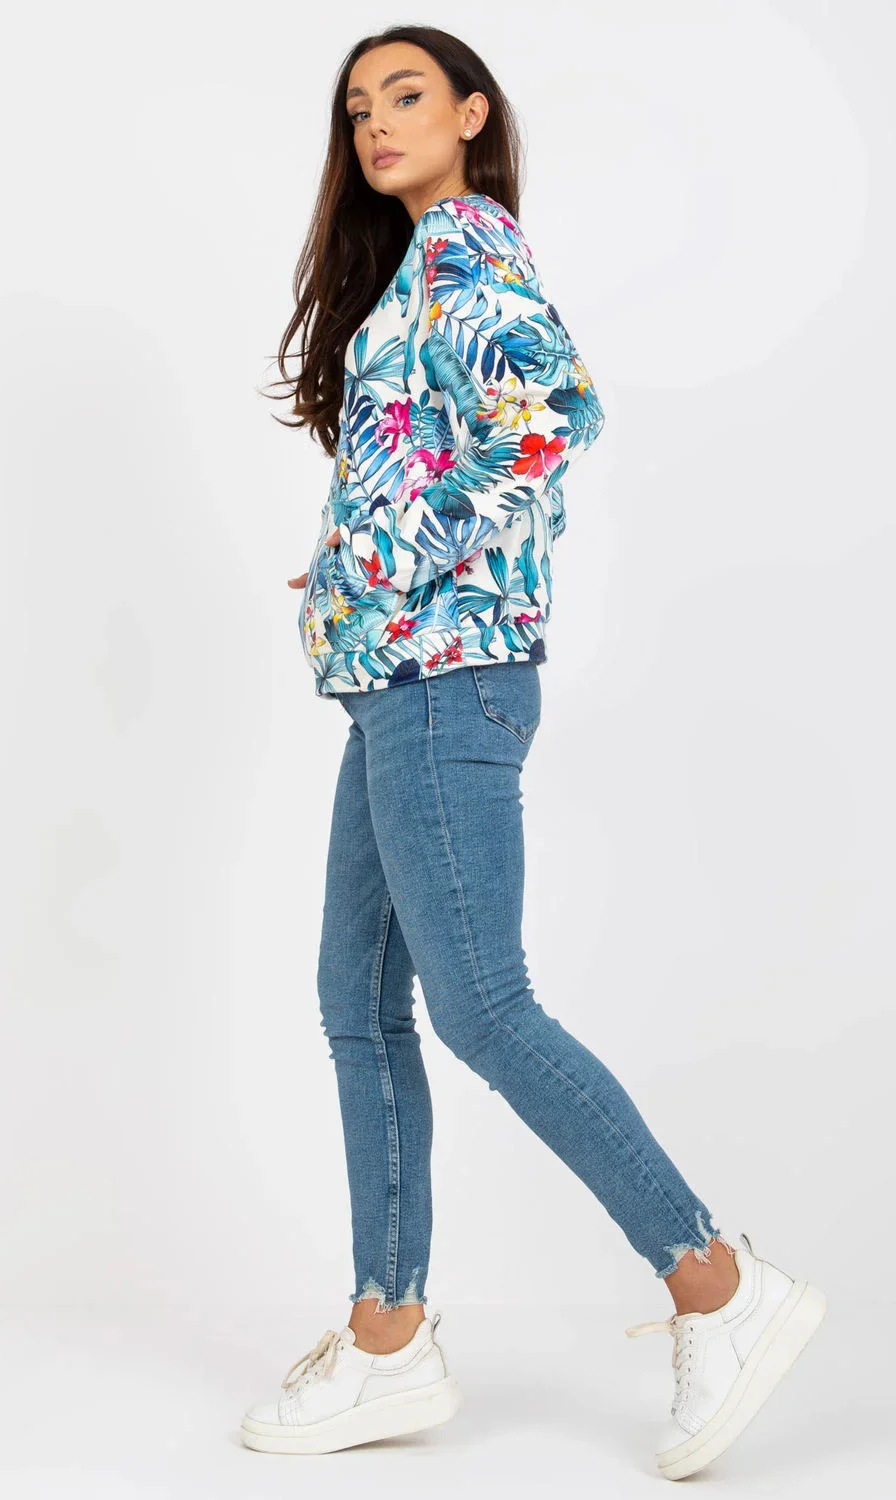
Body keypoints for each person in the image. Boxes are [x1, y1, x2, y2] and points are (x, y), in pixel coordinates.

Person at [242, 25, 826, 1477]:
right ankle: (389, 1338)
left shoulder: (471, 250)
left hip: (450, 682)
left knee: (484, 1008)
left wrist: (389, 555)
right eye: (357, 107)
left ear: (472, 113)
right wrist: (357, 565)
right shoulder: (416, 269)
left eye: (407, 95)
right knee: (357, 1003)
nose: (377, 124)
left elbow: (550, 420)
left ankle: (718, 1286)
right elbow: (440, 463)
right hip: (399, 682)